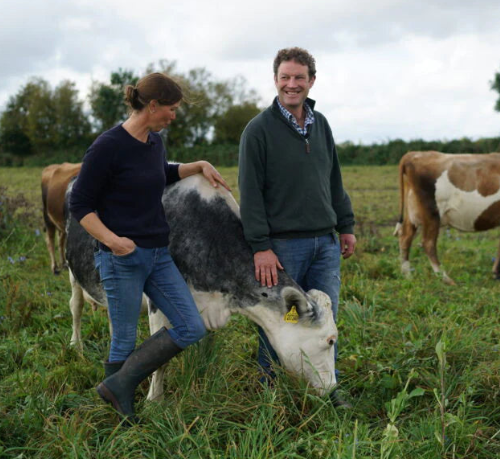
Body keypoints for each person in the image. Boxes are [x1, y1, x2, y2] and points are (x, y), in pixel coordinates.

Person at [70, 72, 230, 423]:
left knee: (191, 326)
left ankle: (119, 385)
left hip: (159, 254)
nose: (174, 116)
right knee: (123, 341)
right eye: (171, 109)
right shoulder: (107, 147)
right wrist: (113, 241)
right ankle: (118, 415)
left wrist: (198, 166)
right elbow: (80, 205)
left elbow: (163, 172)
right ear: (152, 105)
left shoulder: (154, 142)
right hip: (121, 258)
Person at [238, 47, 356, 407]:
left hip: (325, 244)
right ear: (275, 80)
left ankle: (328, 389)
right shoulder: (258, 131)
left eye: (299, 78)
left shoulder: (321, 126)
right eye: (285, 77)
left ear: (311, 81)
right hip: (284, 249)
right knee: (285, 319)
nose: (292, 84)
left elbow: (333, 179)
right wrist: (260, 245)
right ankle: (270, 387)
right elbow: (250, 192)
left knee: (324, 323)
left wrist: (346, 224)